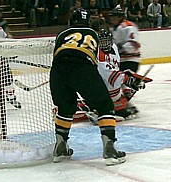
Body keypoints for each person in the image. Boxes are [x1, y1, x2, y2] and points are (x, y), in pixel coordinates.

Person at [50, 8, 129, 166]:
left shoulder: (62, 34)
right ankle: (110, 149)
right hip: (82, 67)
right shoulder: (93, 34)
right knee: (105, 105)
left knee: (65, 107)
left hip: (58, 69)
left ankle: (60, 148)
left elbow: (58, 55)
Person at [109, 7, 141, 114]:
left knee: (122, 82)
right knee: (117, 83)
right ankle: (124, 104)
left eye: (114, 17)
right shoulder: (116, 28)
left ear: (120, 17)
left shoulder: (127, 26)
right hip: (122, 61)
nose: (111, 19)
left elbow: (133, 44)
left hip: (130, 60)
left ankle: (124, 105)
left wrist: (119, 48)